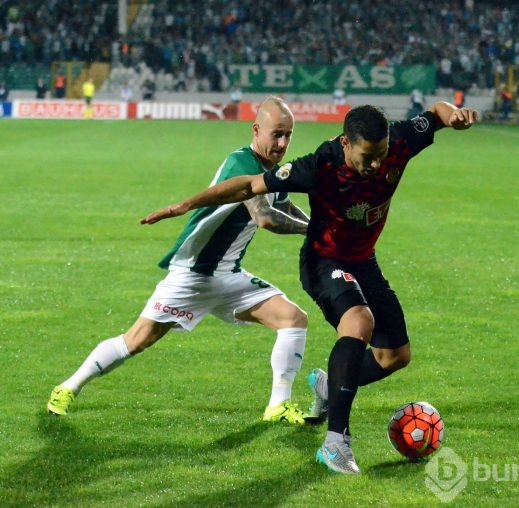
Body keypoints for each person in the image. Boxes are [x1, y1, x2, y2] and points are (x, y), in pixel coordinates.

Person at [140, 101, 479, 474]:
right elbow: (248, 186)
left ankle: (328, 387)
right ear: (346, 143)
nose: (376, 165)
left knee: (394, 356)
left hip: (364, 261)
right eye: (367, 157)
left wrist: (455, 115)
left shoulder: (396, 141)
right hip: (323, 261)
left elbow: (435, 114)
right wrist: (182, 206)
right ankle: (336, 445)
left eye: (381, 156)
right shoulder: (321, 165)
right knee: (358, 323)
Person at [47, 97, 312, 426]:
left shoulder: (273, 173)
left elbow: (283, 206)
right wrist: (315, 230)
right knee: (137, 340)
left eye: (288, 135)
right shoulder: (243, 164)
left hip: (229, 277)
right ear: (256, 130)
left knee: (293, 319)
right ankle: (68, 387)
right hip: (193, 275)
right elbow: (266, 217)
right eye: (277, 134)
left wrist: (318, 223)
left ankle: (278, 405)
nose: (283, 143)